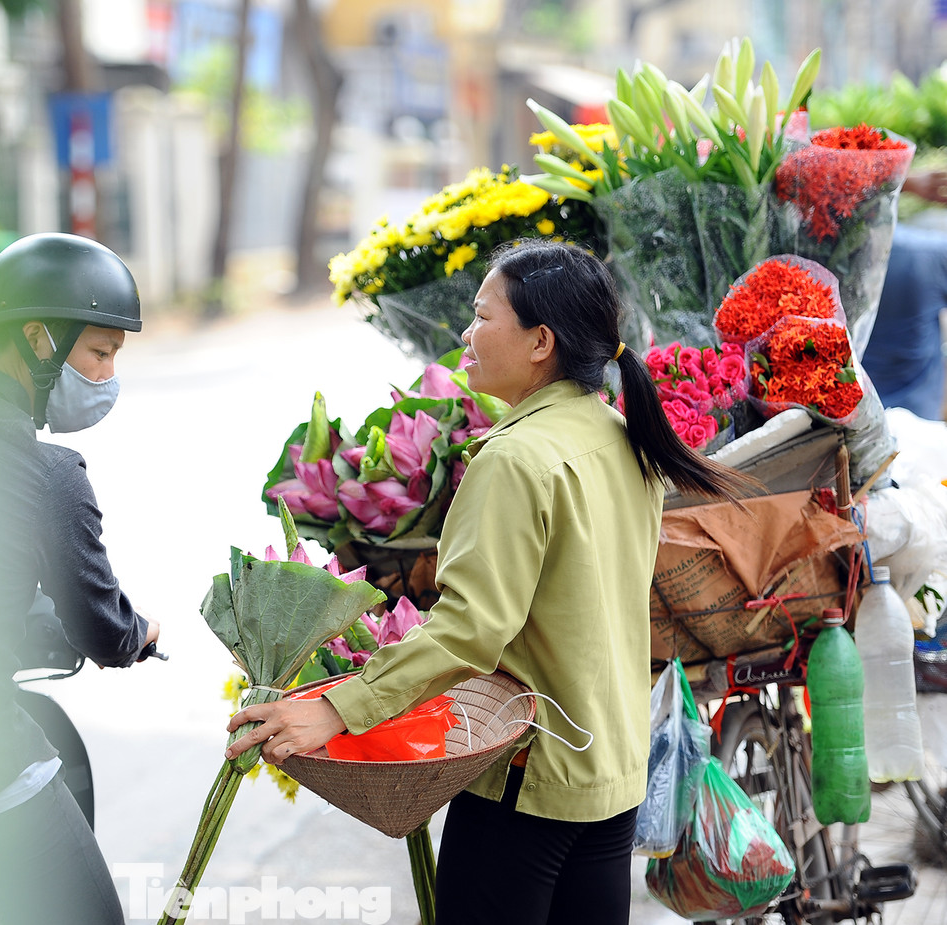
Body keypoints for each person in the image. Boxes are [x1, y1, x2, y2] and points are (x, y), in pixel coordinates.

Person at [227, 240, 754, 925]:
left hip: (526, 784)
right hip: (609, 772)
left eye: (482, 316)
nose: (467, 335)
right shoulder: (620, 435)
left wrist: (335, 707)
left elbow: (471, 630)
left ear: (541, 340)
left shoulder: (514, 458)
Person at [0, 232, 159, 924]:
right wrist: (141, 631)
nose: (106, 376)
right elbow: (101, 627)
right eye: (99, 352)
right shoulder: (48, 474)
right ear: (38, 338)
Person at [861, 171, 947, 420]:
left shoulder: (823, 254)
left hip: (855, 413)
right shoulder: (929, 254)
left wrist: (904, 182)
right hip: (917, 415)